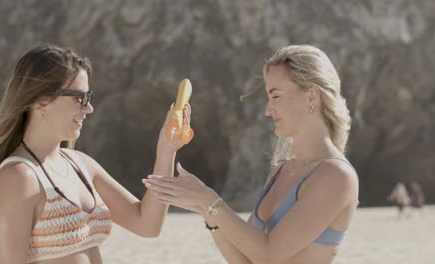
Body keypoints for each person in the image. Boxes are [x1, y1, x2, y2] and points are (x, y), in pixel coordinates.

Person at [0, 44, 191, 263]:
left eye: (89, 97)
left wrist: (166, 151)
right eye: (79, 98)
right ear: (41, 100)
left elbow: (147, 224)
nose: (89, 108)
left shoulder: (82, 166)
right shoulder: (18, 178)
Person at [144, 45, 359, 263]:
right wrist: (205, 210)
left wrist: (209, 199)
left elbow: (268, 254)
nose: (268, 110)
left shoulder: (336, 175)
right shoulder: (280, 171)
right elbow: (246, 260)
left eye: (276, 96)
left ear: (312, 97)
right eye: (268, 98)